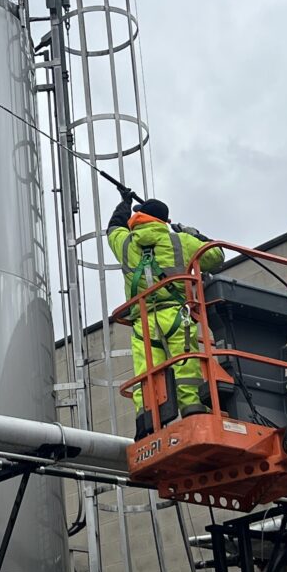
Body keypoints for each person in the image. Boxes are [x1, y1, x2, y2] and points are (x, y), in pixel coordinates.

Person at [107, 188, 224, 440]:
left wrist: (124, 202)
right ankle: (194, 415)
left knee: (147, 372)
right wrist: (192, 233)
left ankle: (147, 424)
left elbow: (113, 227)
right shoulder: (180, 242)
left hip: (144, 323)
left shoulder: (125, 243)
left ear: (140, 218)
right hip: (176, 316)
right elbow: (216, 255)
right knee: (186, 367)